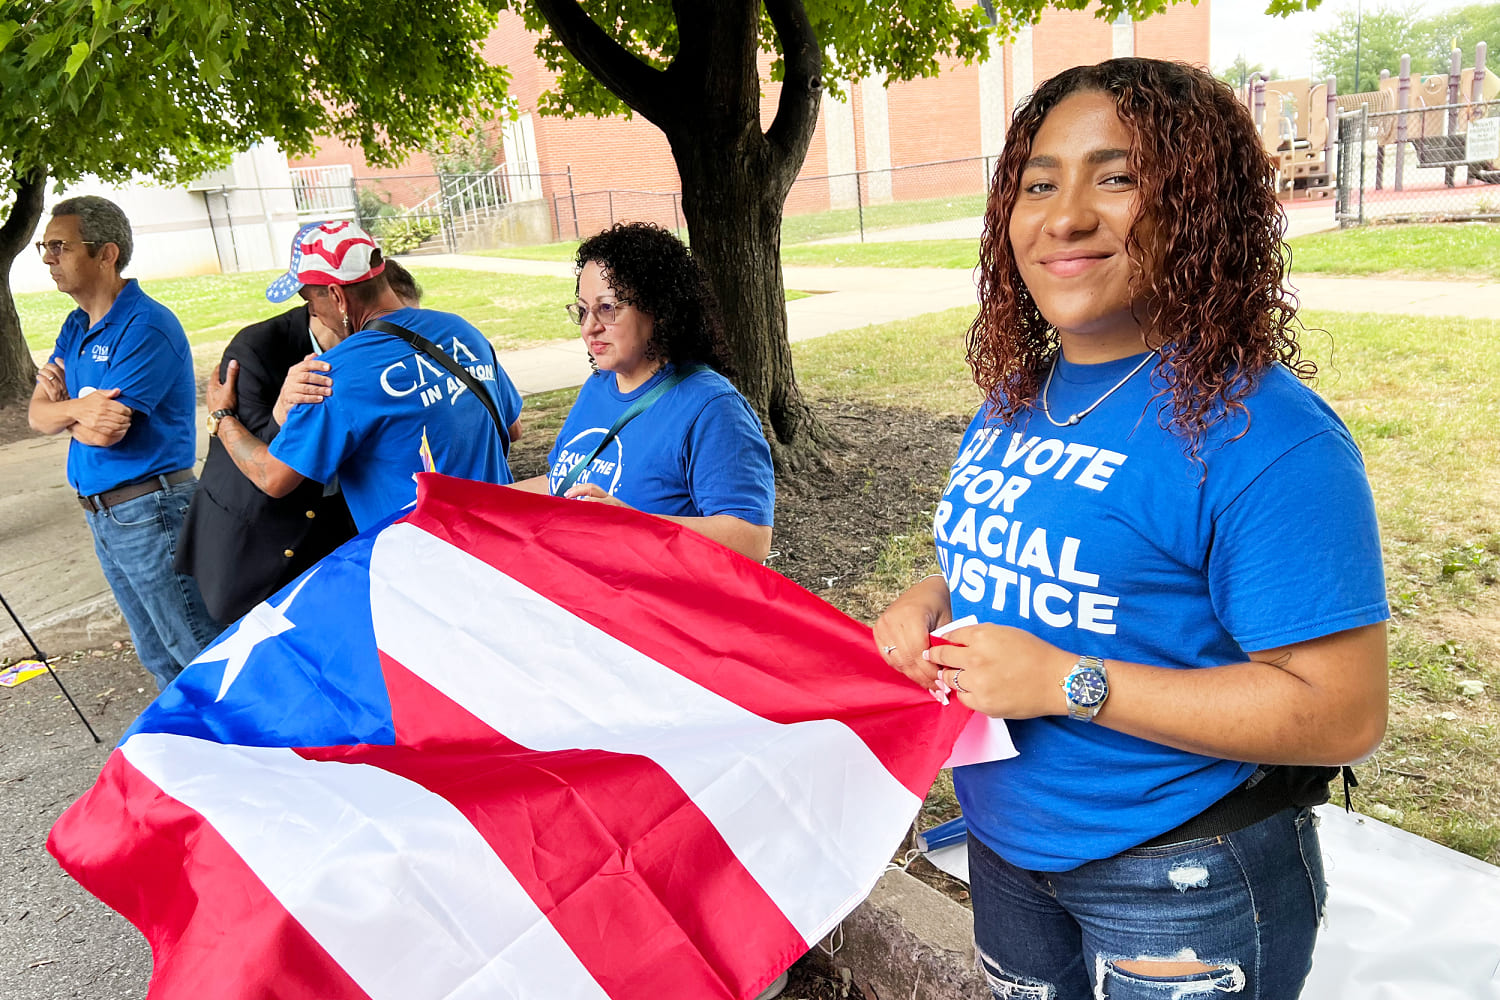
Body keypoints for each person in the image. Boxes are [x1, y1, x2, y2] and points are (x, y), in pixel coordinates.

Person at [872, 59, 1389, 999]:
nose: (1064, 216)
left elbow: (1342, 712)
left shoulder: (1269, 438)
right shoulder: (1014, 405)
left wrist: (1069, 685)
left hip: (1179, 875)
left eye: (1115, 177)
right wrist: (932, 593)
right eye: (1038, 182)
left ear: (1198, 208)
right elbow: (1049, 563)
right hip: (1002, 848)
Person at [204, 221, 523, 533]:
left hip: (425, 562)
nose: (313, 313)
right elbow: (513, 427)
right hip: (503, 538)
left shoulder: (334, 375)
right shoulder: (461, 331)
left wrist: (223, 417)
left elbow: (272, 478)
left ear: (337, 296)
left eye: (309, 300)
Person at [27, 195, 219, 689]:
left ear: (106, 253)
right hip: (104, 514)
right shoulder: (76, 326)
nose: (48, 258)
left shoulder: (146, 326)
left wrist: (66, 408)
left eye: (60, 246)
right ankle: (195, 755)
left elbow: (107, 432)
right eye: (43, 247)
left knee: (196, 650)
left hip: (151, 511)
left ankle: (266, 754)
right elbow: (37, 416)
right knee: (158, 656)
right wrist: (77, 409)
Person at [172, 228, 406, 624]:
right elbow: (256, 462)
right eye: (305, 296)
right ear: (334, 298)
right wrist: (278, 411)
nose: (308, 305)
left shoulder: (385, 344)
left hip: (336, 538)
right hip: (252, 545)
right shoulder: (257, 348)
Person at [513, 222, 774, 562]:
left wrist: (633, 524)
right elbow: (559, 484)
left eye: (607, 308)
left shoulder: (712, 408)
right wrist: (469, 499)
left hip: (657, 609)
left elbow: (752, 541)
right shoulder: (598, 388)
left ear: (660, 311)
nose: (589, 327)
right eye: (582, 310)